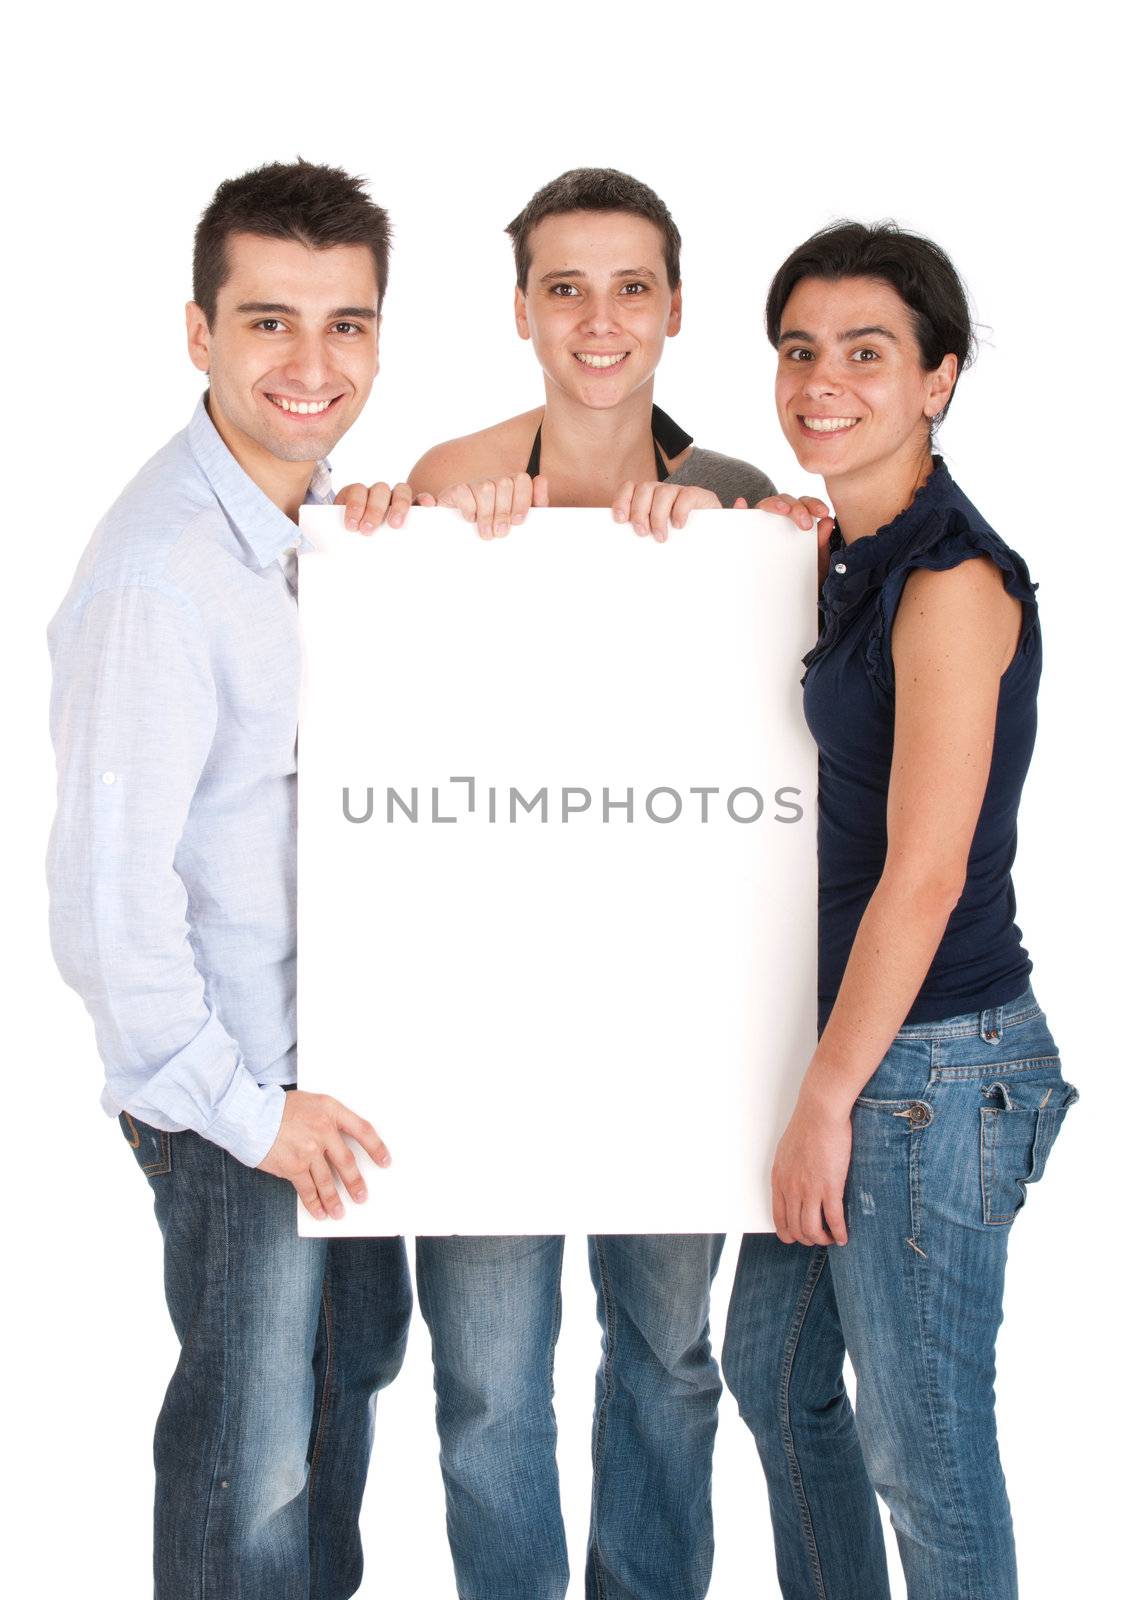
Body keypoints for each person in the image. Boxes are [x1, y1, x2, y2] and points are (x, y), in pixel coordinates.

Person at [339, 167, 845, 1600]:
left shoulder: (742, 502)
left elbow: (796, 746)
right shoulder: (446, 480)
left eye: (630, 287)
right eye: (565, 287)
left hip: (674, 1023)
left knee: (667, 1356)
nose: (599, 318)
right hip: (484, 1020)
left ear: (674, 309)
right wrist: (393, 536)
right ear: (520, 311)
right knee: (490, 1382)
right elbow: (382, 732)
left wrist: (800, 562)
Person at [47, 160, 413, 1600]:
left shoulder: (310, 523)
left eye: (346, 324)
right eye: (268, 322)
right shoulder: (161, 573)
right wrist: (243, 1113)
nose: (311, 364)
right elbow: (104, 906)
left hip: (332, 1083)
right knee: (248, 1472)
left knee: (334, 1414)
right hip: (239, 1101)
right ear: (198, 334)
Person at [721, 222, 1078, 1600]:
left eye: (865, 353)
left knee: (919, 1449)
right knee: (773, 1374)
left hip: (929, 1063)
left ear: (936, 378)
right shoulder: (852, 552)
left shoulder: (949, 584)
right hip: (867, 1053)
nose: (822, 380)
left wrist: (824, 1101)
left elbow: (923, 876)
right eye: (798, 350)